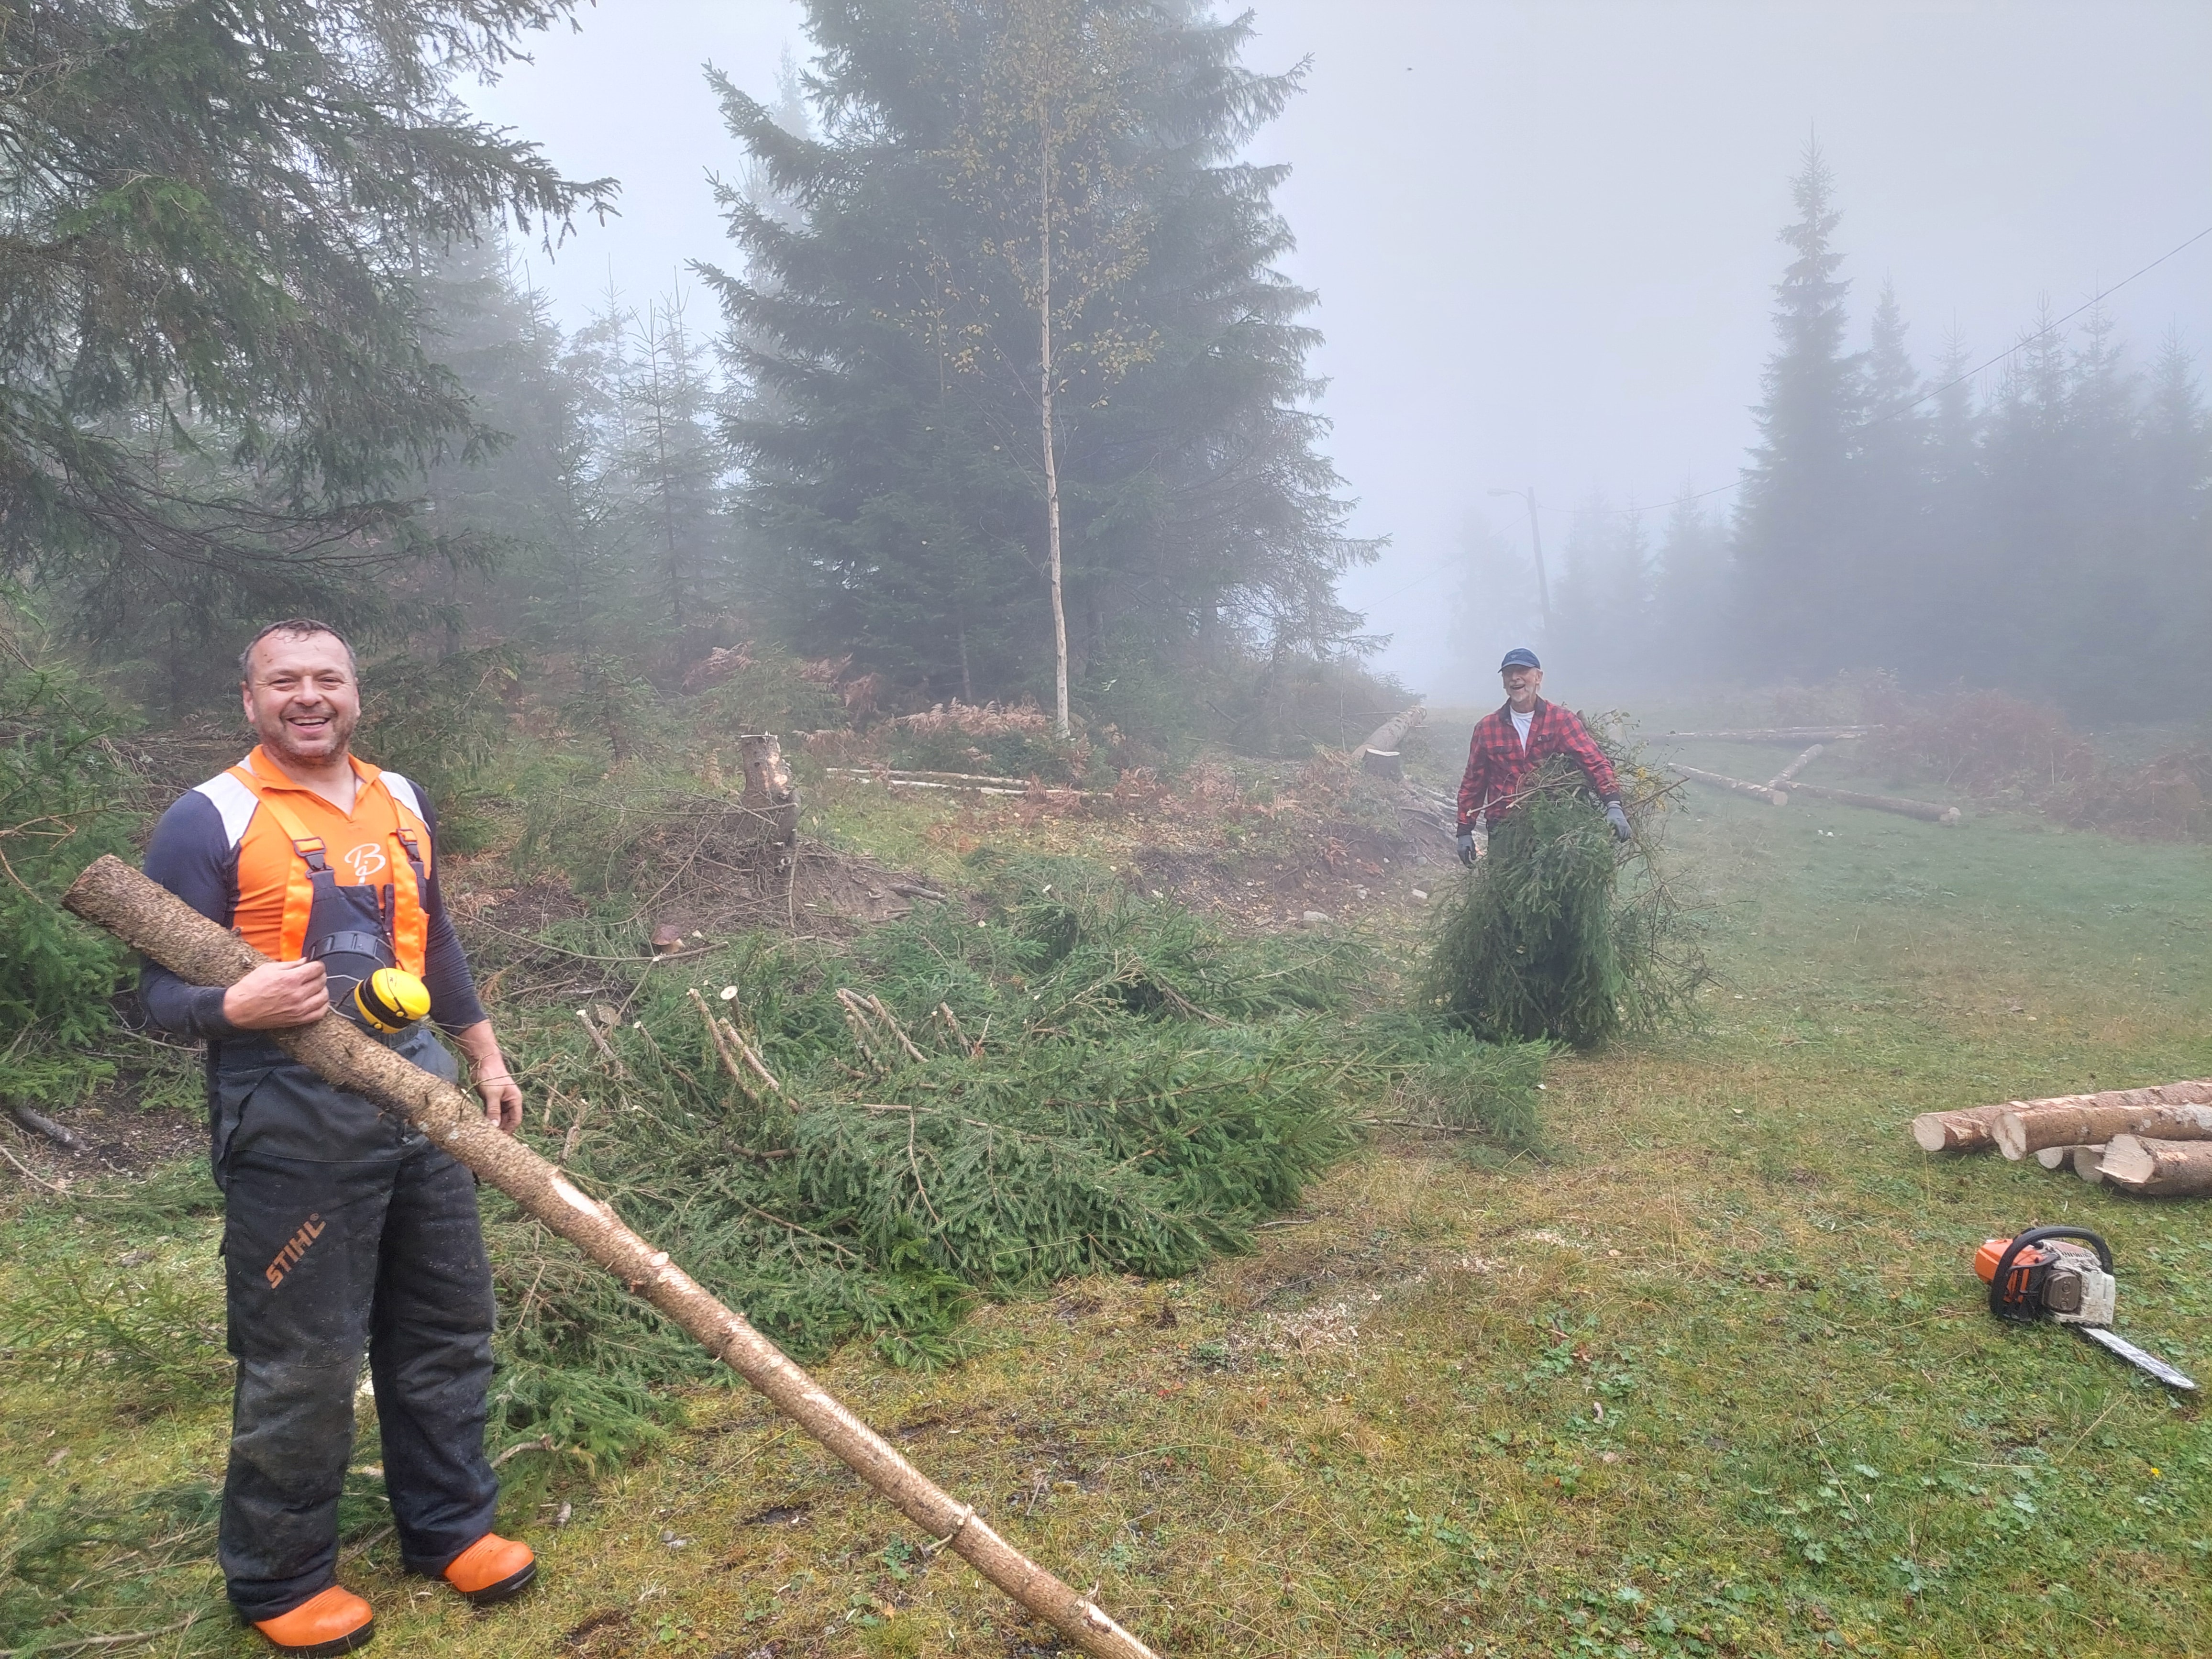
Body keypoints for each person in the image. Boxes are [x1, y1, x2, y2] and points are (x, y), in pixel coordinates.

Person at [140, 619, 533, 1655]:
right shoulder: (206, 820)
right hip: (291, 1122)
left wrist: (485, 1058)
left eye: (327, 679)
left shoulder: (401, 798)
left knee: (447, 1326)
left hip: (422, 1097)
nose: (307, 697)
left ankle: (449, 1528)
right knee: (305, 1358)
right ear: (250, 700)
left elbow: (434, 935)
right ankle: (279, 1579)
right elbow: (153, 995)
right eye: (284, 682)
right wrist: (235, 1007)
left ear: (356, 693)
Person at [1455, 648, 1631, 865]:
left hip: (1554, 826)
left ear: (1538, 677)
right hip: (1503, 827)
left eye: (1522, 671)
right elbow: (1474, 781)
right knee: (1506, 894)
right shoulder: (1487, 728)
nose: (1515, 678)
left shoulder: (1561, 721)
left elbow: (1593, 761)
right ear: (1503, 682)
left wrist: (1613, 804)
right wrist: (1465, 830)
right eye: (1509, 673)